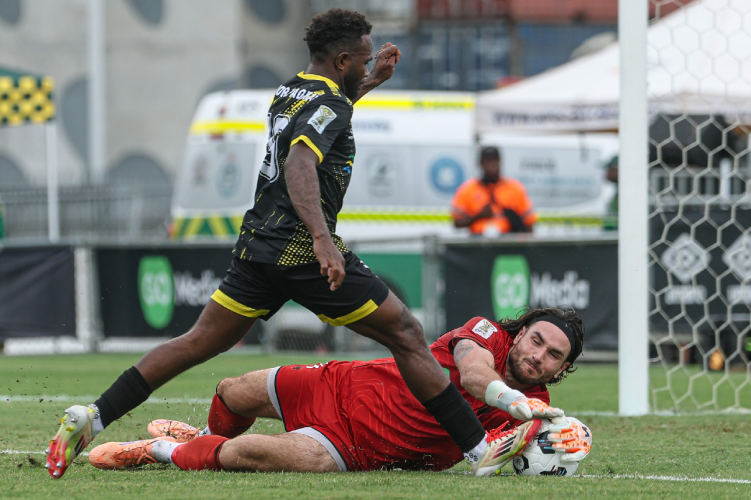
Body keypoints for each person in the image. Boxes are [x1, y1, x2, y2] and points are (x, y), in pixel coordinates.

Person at [44, 8, 563, 480]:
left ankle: (93, 415)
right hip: (297, 250)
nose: (367, 63)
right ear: (341, 60)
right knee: (406, 331)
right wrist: (322, 239)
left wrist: (368, 86)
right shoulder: (330, 103)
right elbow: (299, 161)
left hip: (257, 247)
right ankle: (478, 449)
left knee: (195, 344)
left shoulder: (292, 90)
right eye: (362, 59)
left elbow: (322, 115)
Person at [88, 308, 591, 474]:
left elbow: (506, 457)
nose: (537, 355)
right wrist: (514, 401)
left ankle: (159, 450)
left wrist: (554, 445)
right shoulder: (487, 334)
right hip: (342, 384)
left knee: (246, 451)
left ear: (561, 369)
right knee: (232, 390)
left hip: (354, 449)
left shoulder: (535, 414)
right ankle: (201, 433)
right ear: (521, 331)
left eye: (553, 356)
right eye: (537, 340)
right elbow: (476, 372)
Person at [451, 147, 536, 235]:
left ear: (500, 162)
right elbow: (457, 224)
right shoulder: (467, 190)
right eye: (488, 161)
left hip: (509, 241)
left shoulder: (515, 188)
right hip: (477, 243)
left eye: (495, 160)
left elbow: (529, 223)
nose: (492, 165)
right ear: (481, 163)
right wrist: (478, 216)